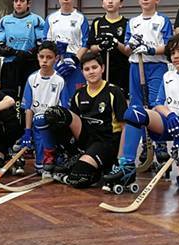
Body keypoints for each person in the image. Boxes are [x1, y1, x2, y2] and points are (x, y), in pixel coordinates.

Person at [101, 34, 179, 192]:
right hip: (169, 124)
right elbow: (158, 104)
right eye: (172, 53)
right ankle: (127, 166)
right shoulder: (167, 76)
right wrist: (170, 116)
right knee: (134, 113)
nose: (176, 56)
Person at [102, 0, 175, 183]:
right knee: (136, 107)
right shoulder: (132, 22)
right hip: (135, 66)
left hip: (155, 66)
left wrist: (150, 50)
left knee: (154, 105)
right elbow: (128, 48)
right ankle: (145, 146)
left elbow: (169, 46)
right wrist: (118, 44)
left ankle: (159, 146)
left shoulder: (162, 20)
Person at [43, 51, 127, 188]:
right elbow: (71, 123)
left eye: (94, 67)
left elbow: (125, 127)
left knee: (78, 178)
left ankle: (95, 170)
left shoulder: (114, 92)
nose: (91, 72)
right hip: (87, 139)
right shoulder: (79, 93)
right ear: (82, 72)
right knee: (54, 114)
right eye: (87, 69)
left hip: (106, 142)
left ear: (102, 68)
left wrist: (121, 159)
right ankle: (71, 156)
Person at [19, 41, 69, 174]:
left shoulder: (60, 80)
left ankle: (57, 153)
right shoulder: (32, 79)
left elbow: (65, 110)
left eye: (49, 57)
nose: (44, 61)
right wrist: (27, 131)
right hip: (36, 124)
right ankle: (42, 158)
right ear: (37, 57)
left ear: (56, 58)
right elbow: (28, 108)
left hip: (54, 124)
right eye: (42, 57)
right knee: (40, 169)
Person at [0, 0, 47, 98]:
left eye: (22, 0)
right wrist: (13, 52)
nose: (18, 3)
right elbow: (0, 46)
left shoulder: (36, 20)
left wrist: (26, 54)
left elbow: (40, 45)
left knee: (29, 96)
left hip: (30, 63)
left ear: (28, 3)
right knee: (8, 96)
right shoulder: (5, 20)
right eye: (16, 1)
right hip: (10, 64)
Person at [46, 0, 89, 103]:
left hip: (75, 62)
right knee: (55, 97)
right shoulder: (51, 18)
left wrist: (74, 60)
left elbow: (85, 43)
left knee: (75, 97)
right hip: (56, 62)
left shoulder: (81, 18)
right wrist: (54, 57)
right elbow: (46, 42)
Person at [87, 0, 130, 95]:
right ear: (102, 3)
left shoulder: (128, 23)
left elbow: (129, 51)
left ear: (121, 3)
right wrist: (101, 46)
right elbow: (92, 47)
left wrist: (115, 43)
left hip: (122, 70)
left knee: (121, 99)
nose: (110, 1)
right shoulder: (97, 23)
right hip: (102, 70)